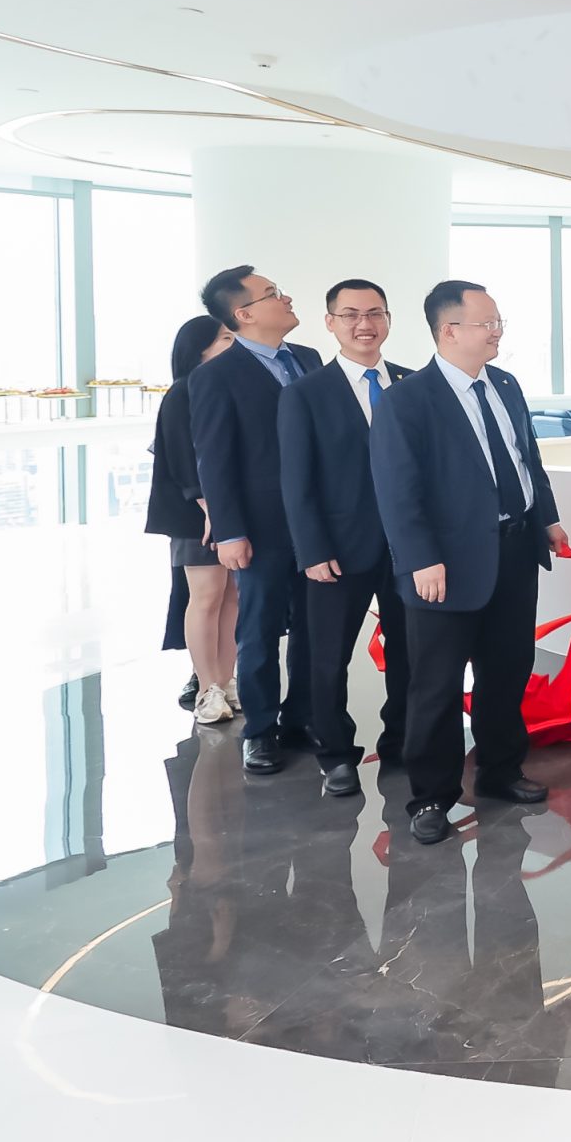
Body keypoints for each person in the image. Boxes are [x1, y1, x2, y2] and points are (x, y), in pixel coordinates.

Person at [369, 280, 569, 847]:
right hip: (445, 565)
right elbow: (397, 491)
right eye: (488, 323)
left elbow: (526, 459)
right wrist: (421, 559)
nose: (497, 332)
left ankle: (501, 769)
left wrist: (547, 518)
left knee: (507, 670)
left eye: (498, 322)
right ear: (449, 330)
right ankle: (431, 795)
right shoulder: (408, 399)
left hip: (514, 550)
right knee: (436, 683)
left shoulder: (504, 384)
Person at [276, 279, 414, 798]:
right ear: (331, 323)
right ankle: (335, 754)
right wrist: (311, 550)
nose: (365, 324)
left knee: (412, 652)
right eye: (351, 314)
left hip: (409, 549)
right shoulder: (305, 393)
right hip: (337, 550)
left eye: (375, 313)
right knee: (327, 657)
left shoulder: (412, 384)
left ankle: (402, 742)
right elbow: (297, 481)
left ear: (388, 319)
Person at [189, 266, 322, 772]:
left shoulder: (308, 359)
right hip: (262, 526)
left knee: (314, 626)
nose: (285, 298)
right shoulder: (215, 376)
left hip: (317, 521)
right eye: (272, 294)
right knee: (260, 629)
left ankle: (303, 717)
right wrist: (229, 531)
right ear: (243, 314)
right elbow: (214, 460)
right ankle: (261, 731)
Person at [150, 315, 233, 718]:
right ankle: (206, 688)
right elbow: (184, 459)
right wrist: (209, 507)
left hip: (229, 509)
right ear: (199, 349)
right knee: (206, 596)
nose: (233, 344)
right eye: (225, 338)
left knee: (232, 598)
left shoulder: (224, 388)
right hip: (197, 515)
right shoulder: (183, 391)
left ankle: (226, 681)